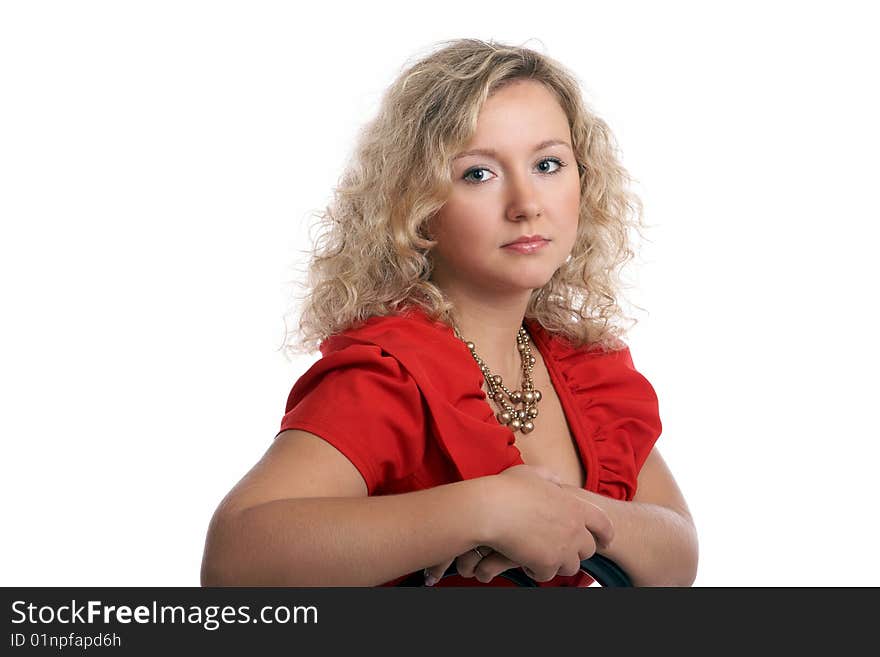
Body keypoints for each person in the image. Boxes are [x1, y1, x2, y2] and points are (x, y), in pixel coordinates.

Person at [200, 38, 698, 587]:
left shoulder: (581, 367)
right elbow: (234, 559)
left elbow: (676, 559)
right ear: (418, 207)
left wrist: (560, 512)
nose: (527, 203)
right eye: (478, 174)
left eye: (548, 164)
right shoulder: (393, 373)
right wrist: (482, 510)